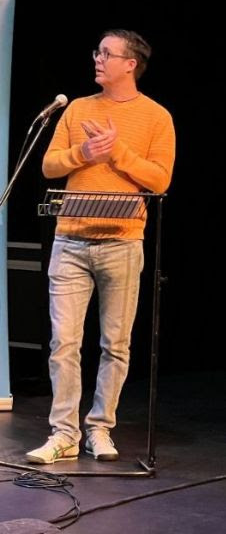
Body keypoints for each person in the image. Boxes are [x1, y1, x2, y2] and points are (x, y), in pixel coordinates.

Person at [26, 29, 176, 464]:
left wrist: (116, 154)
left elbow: (160, 180)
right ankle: (63, 434)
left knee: (115, 344)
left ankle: (100, 428)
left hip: (122, 244)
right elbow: (50, 166)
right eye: (97, 51)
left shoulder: (156, 117)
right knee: (64, 343)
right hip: (70, 240)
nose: (98, 59)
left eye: (107, 54)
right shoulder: (77, 108)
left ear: (131, 64)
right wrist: (86, 152)